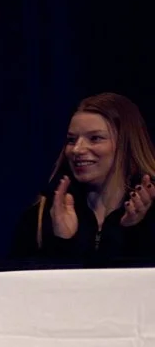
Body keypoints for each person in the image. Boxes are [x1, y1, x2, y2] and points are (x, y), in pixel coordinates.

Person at [13, 92, 155, 262]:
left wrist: (134, 231)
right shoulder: (42, 214)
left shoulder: (150, 213)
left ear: (127, 143)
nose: (77, 150)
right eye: (71, 140)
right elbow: (21, 285)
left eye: (95, 138)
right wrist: (61, 241)